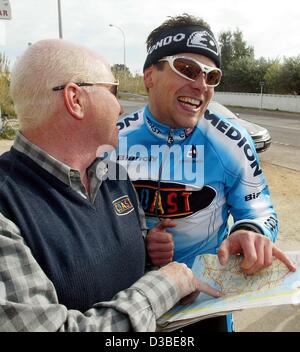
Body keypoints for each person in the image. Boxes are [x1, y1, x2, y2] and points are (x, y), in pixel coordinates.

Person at [0, 39, 221, 332]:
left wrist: (150, 254)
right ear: (75, 100)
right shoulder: (7, 206)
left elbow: (135, 271)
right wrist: (164, 285)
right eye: (113, 91)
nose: (119, 108)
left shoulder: (113, 176)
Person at [117, 14, 296, 331]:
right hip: (131, 304)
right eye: (186, 69)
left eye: (211, 76)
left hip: (204, 306)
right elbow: (93, 218)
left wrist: (251, 231)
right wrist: (139, 242)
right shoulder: (114, 139)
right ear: (149, 76)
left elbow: (258, 204)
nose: (200, 84)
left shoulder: (230, 142)